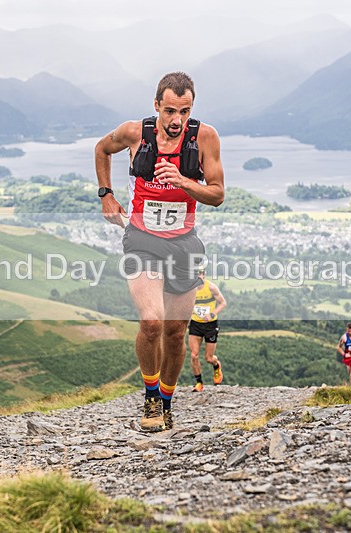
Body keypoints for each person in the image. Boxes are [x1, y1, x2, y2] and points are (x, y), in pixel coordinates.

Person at [95, 72, 224, 432]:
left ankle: (167, 400)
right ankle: (151, 397)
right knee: (152, 322)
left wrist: (184, 181)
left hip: (183, 243)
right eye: (169, 110)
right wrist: (106, 194)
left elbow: (217, 194)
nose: (176, 120)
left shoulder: (205, 138)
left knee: (175, 331)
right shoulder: (136, 133)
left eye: (184, 111)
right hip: (142, 238)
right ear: (157, 106)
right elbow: (101, 149)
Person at [188, 267, 227, 392]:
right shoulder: (190, 290)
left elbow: (222, 303)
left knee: (209, 358)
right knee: (194, 355)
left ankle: (217, 365)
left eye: (200, 274)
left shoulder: (211, 288)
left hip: (210, 325)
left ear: (204, 275)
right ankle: (199, 383)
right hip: (195, 324)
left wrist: (211, 314)